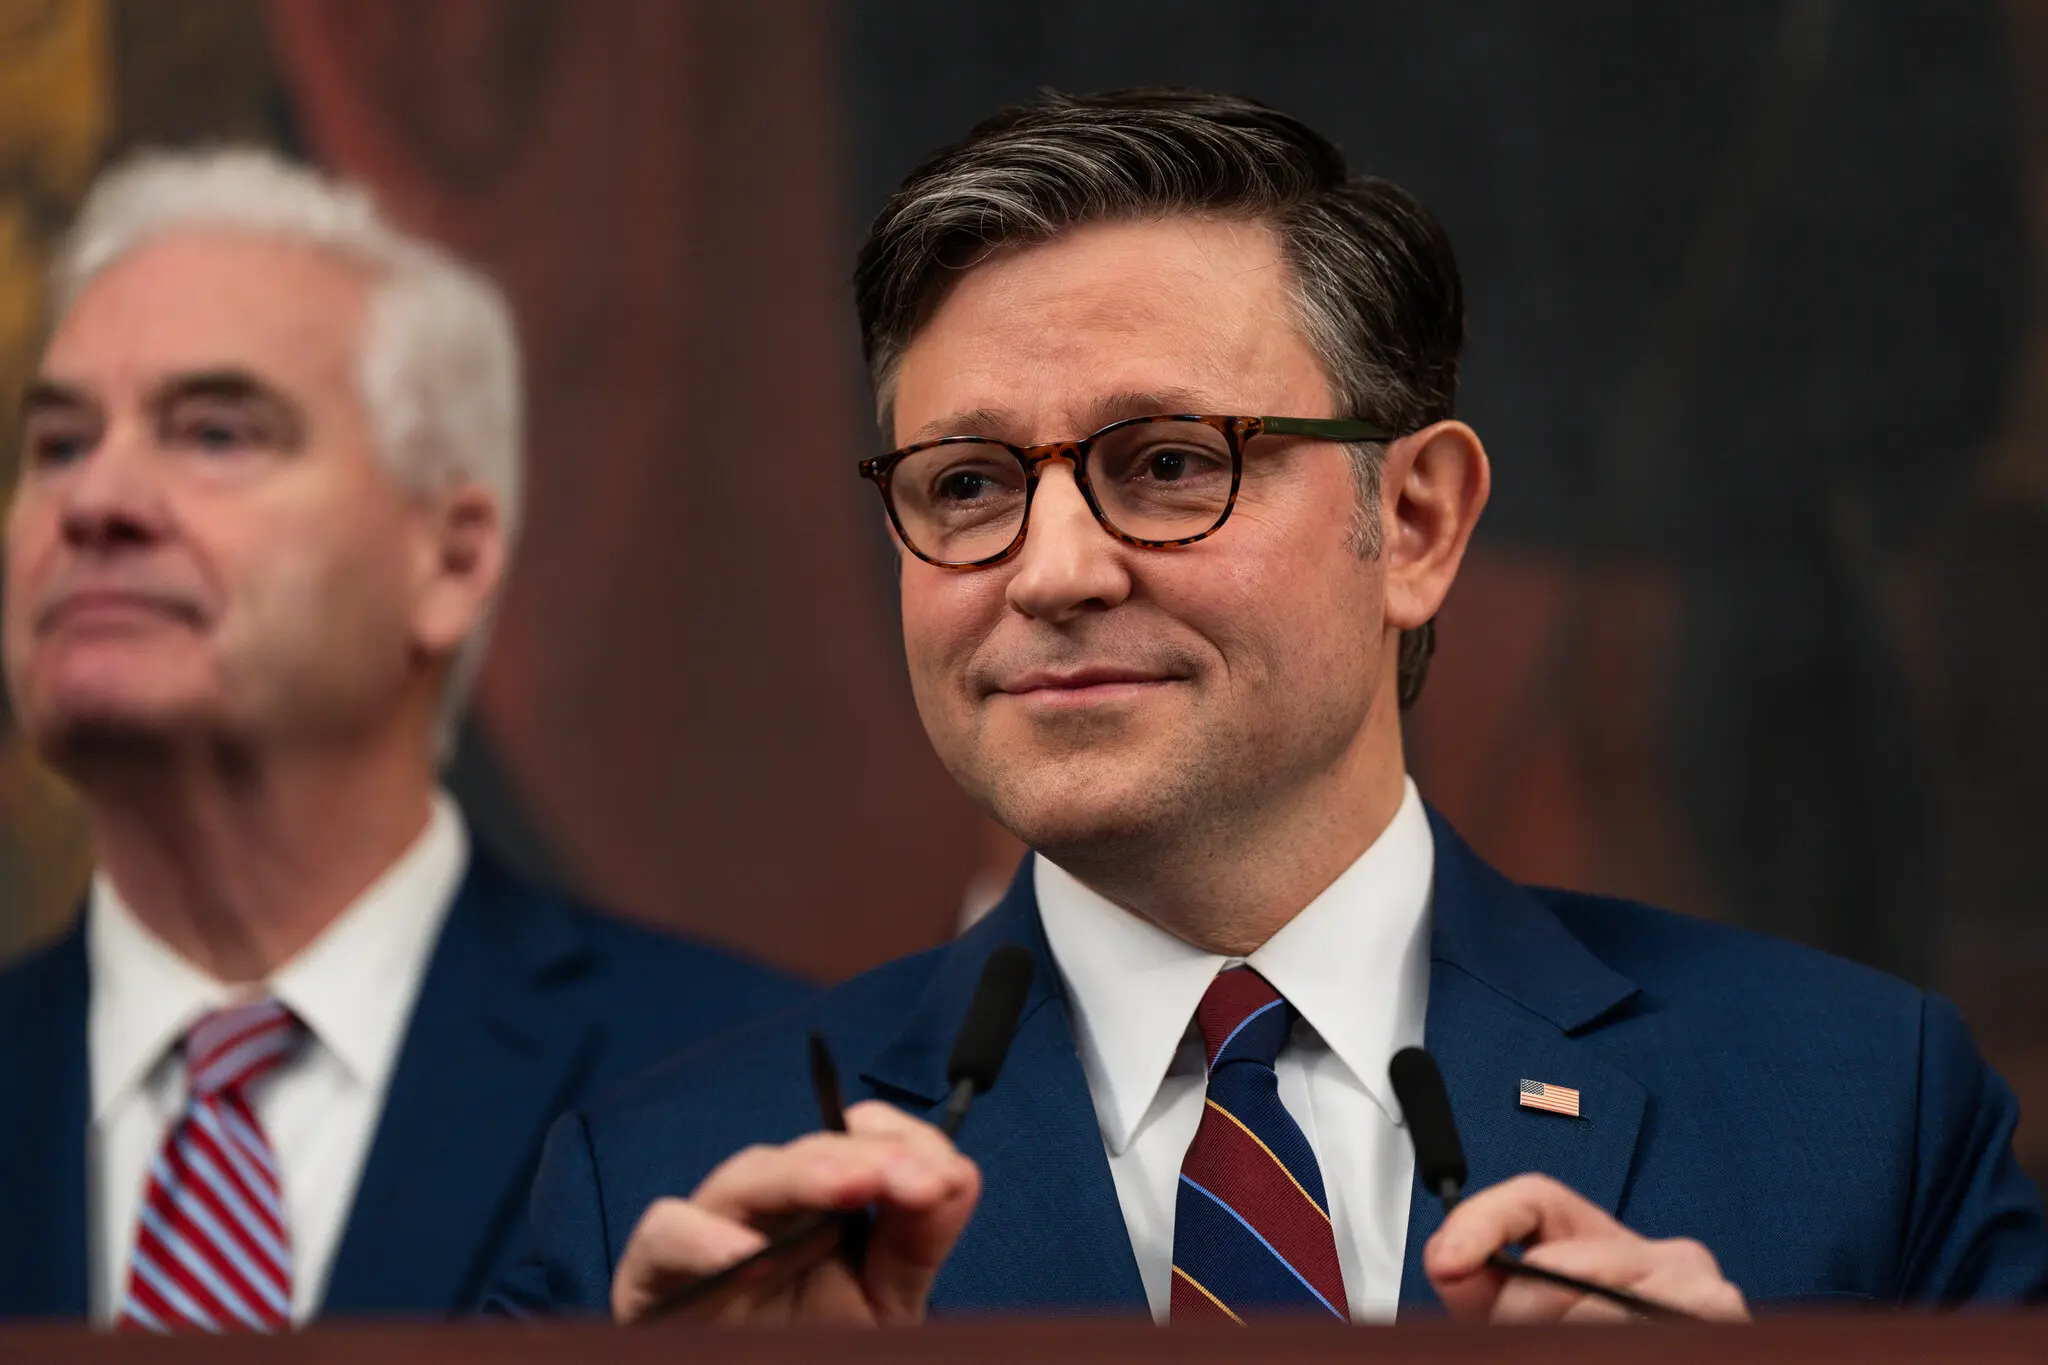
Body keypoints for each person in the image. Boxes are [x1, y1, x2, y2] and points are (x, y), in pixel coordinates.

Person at [491, 89, 2048, 1326]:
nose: (1053, 571)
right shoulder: (661, 1202)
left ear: (1420, 522)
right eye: (966, 486)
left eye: (1168, 462)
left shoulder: (1864, 1110)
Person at [0, 149, 810, 1328]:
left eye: (216, 433)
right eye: (58, 445)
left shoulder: (743, 1082)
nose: (95, 502)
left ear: (451, 560)